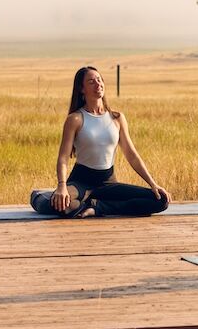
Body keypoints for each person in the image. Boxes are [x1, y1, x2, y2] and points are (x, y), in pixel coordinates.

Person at [37, 66, 170, 217]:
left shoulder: (117, 118)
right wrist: (61, 186)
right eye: (91, 82)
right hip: (81, 181)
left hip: (108, 182)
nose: (98, 84)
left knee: (160, 200)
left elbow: (132, 155)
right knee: (60, 205)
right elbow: (63, 158)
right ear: (82, 89)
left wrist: (153, 184)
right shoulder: (75, 119)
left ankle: (98, 207)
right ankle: (38, 196)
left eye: (99, 80)